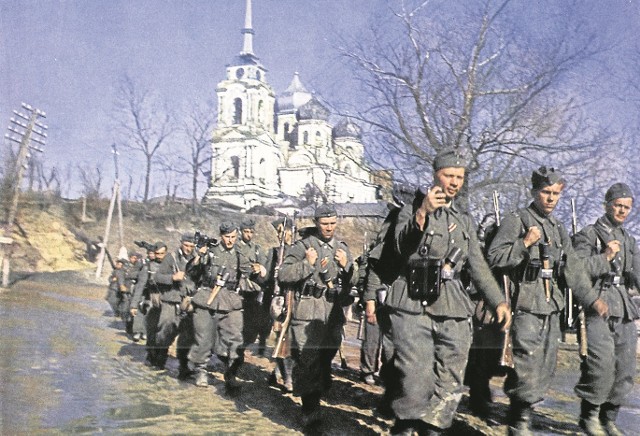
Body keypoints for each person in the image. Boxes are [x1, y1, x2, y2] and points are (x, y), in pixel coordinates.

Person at [386, 149, 511, 435]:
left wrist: (497, 301)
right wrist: (423, 213)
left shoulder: (464, 220)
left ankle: (433, 429)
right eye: (448, 176)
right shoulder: (410, 209)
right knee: (415, 380)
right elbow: (400, 247)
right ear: (435, 176)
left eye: (459, 177)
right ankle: (405, 426)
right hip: (413, 303)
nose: (454, 182)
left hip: (453, 303)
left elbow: (477, 264)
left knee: (451, 379)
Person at [487, 166, 609, 435]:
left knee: (545, 363)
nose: (551, 198)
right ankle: (518, 421)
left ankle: (524, 413)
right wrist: (525, 243)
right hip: (525, 304)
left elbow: (573, 269)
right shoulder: (517, 220)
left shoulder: (558, 228)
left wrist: (591, 299)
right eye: (546, 192)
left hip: (550, 305)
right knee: (526, 363)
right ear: (534, 192)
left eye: (555, 193)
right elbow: (494, 257)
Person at [278, 204, 356, 429]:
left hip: (331, 313)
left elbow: (353, 281)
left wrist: (348, 265)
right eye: (324, 224)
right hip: (307, 311)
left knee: (324, 360)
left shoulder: (341, 248)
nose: (329, 228)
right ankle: (310, 411)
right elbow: (284, 274)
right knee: (307, 360)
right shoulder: (304, 246)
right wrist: (307, 264)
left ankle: (314, 400)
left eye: (332, 223)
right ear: (316, 223)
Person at [572, 182, 639, 436]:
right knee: (599, 365)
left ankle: (609, 418)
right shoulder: (588, 235)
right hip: (596, 304)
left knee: (625, 367)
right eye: (618, 205)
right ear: (607, 205)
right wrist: (605, 258)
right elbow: (575, 271)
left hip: (623, 306)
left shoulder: (628, 239)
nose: (622, 211)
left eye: (627, 207)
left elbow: (637, 273)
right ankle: (589, 417)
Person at [187, 221, 256, 390]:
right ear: (221, 236)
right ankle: (201, 370)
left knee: (234, 339)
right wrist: (198, 257)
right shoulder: (210, 251)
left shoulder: (240, 254)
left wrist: (258, 269)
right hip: (207, 297)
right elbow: (192, 273)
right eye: (227, 237)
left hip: (230, 299)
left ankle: (231, 373)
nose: (230, 240)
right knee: (204, 338)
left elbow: (249, 273)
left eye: (233, 237)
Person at [153, 234, 197, 377]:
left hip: (188, 301)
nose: (189, 249)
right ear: (181, 244)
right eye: (186, 245)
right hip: (171, 300)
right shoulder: (170, 257)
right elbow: (157, 277)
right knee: (165, 328)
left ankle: (183, 366)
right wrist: (172, 278)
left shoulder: (198, 259)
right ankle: (160, 357)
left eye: (192, 246)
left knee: (187, 335)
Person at [265, 217, 295, 393]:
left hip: (293, 299)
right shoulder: (275, 253)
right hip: (278, 299)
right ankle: (285, 375)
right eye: (278, 232)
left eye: (283, 231)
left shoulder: (298, 251)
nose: (281, 235)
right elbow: (266, 278)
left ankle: (282, 373)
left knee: (289, 339)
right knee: (280, 336)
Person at [130, 242, 168, 369]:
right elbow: (140, 287)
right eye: (157, 253)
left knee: (165, 331)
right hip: (152, 300)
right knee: (152, 331)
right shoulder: (148, 267)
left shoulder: (171, 266)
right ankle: (151, 356)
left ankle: (161, 358)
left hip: (168, 301)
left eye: (162, 253)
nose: (159, 256)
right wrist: (134, 305)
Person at [237, 218, 270, 356]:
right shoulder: (235, 247)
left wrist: (260, 267)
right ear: (240, 231)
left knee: (251, 326)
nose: (249, 235)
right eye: (246, 231)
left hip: (252, 292)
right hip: (238, 290)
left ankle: (242, 348)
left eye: (251, 232)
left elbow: (263, 267)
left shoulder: (257, 249)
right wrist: (253, 267)